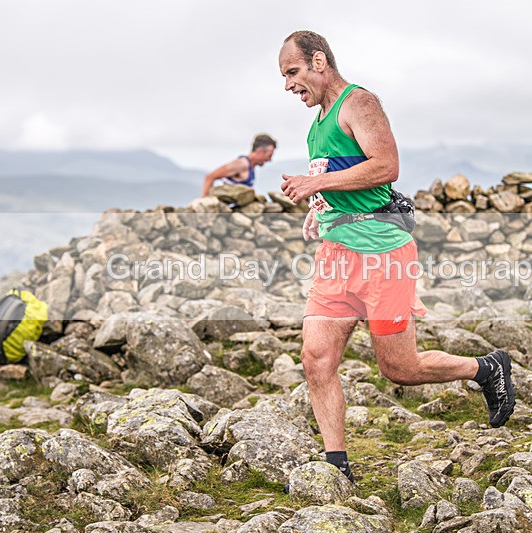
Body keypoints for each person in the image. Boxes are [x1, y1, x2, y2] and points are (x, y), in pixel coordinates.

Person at [278, 30, 516, 484]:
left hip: (383, 256)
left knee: (399, 369)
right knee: (316, 358)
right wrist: (320, 208)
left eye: (292, 72)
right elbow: (344, 178)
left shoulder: (358, 103)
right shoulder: (317, 123)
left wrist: (316, 185)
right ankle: (337, 467)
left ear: (319, 61)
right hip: (336, 255)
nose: (288, 85)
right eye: (284, 77)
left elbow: (386, 166)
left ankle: (486, 369)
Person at [201, 134, 277, 196]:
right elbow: (210, 177)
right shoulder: (241, 164)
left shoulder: (251, 166)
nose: (270, 159)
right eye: (269, 155)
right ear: (259, 151)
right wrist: (205, 203)